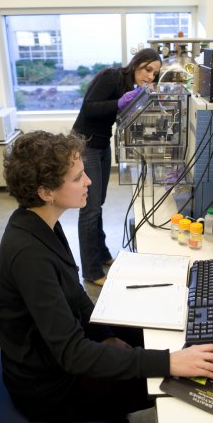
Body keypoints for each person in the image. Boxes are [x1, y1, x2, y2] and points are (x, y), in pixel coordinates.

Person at [0, 130, 213, 423]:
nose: (89, 181)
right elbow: (74, 353)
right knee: (181, 378)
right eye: (77, 178)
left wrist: (106, 335)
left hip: (57, 356)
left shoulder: (41, 223)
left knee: (151, 336)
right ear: (45, 192)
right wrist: (169, 363)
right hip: (49, 388)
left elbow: (76, 296)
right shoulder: (28, 256)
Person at [72, 48, 162, 286]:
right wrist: (120, 102)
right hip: (85, 145)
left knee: (97, 204)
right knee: (89, 209)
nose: (151, 76)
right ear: (136, 64)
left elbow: (121, 115)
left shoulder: (129, 86)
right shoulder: (111, 76)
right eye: (148, 69)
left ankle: (101, 255)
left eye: (155, 73)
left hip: (101, 145)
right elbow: (89, 108)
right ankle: (91, 271)